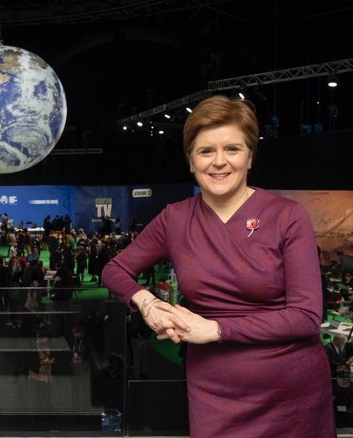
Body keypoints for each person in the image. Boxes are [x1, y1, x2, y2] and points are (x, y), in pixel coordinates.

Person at [102, 95, 335, 437]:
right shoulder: (175, 218)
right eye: (206, 151)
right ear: (190, 161)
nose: (219, 162)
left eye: (232, 149)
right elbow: (114, 270)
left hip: (291, 394)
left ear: (250, 156)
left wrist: (216, 330)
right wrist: (147, 303)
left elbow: (306, 317)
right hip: (215, 394)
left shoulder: (288, 216)